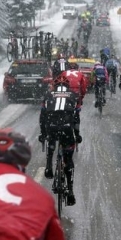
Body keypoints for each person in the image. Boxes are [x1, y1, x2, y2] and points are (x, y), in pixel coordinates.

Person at [40, 74, 82, 205]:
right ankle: (70, 191)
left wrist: (43, 133)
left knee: (51, 138)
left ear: (55, 85)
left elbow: (42, 116)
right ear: (67, 86)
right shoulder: (73, 95)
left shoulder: (48, 95)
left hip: (51, 126)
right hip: (67, 128)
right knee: (68, 159)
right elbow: (76, 118)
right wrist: (77, 134)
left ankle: (48, 165)